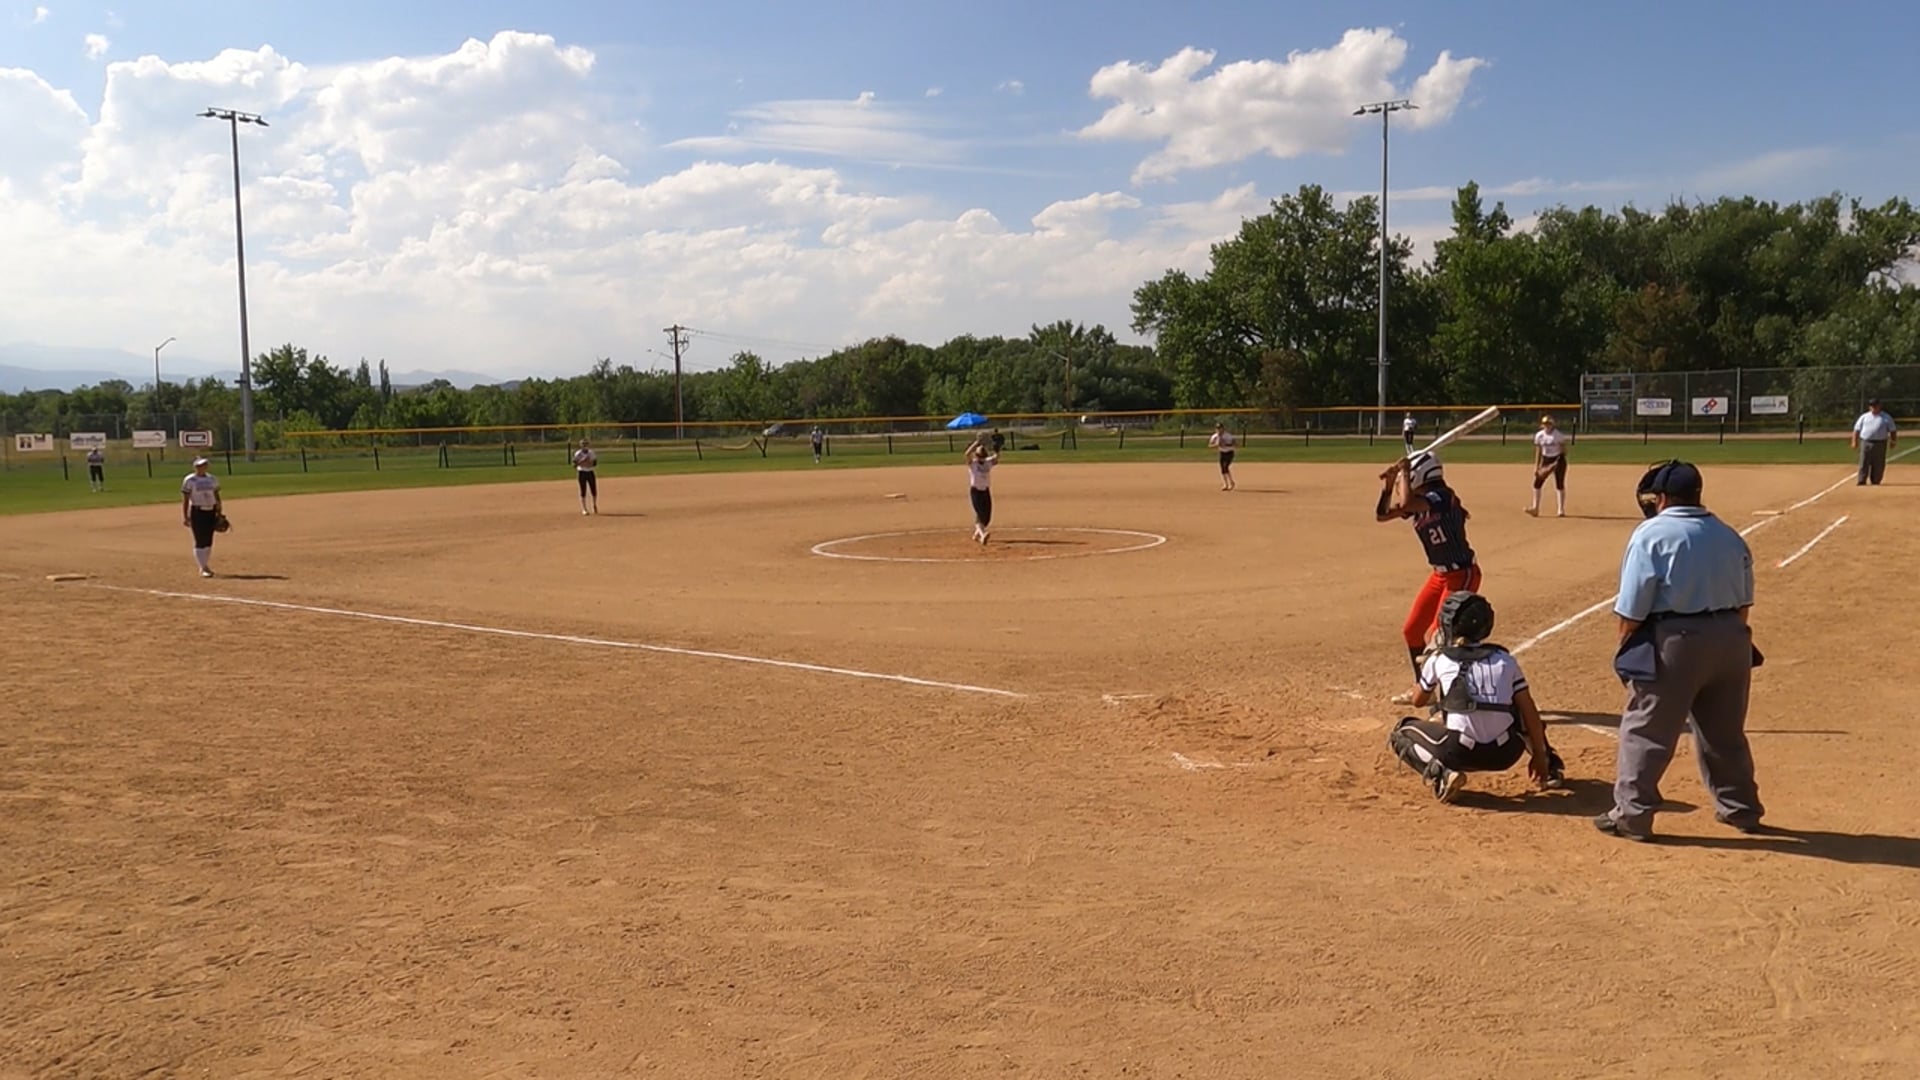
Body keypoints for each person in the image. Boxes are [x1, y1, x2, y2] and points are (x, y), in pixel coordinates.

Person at [1596, 460, 1762, 842]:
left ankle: (1632, 817)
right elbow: (1744, 604)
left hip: (1677, 640)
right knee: (1725, 733)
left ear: (1662, 498)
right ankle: (1741, 809)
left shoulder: (1651, 534)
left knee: (1646, 732)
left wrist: (1626, 649)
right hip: (1733, 639)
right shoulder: (1729, 534)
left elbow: (1632, 609)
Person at [1388, 591, 1565, 802]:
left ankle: (1443, 774)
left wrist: (1427, 669)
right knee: (1520, 709)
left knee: (1401, 732)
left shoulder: (1439, 659)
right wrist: (1539, 755)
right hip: (1505, 754)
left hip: (1458, 752)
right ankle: (1550, 765)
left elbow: (1419, 701)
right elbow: (1531, 713)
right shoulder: (1505, 660)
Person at [1377, 450, 1482, 691]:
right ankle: (1423, 686)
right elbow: (1382, 515)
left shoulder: (1442, 497)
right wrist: (1389, 486)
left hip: (1462, 574)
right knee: (1412, 631)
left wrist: (1404, 470)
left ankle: (1440, 697)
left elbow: (1406, 503)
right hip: (1440, 576)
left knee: (1438, 638)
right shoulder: (1421, 503)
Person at [180, 456, 224, 578]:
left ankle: (205, 565)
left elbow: (216, 495)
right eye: (199, 465)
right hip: (197, 511)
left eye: (204, 465)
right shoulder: (190, 480)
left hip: (211, 510)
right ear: (195, 467)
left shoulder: (212, 479)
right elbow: (186, 499)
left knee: (208, 540)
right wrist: (185, 516)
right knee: (200, 540)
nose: (202, 467)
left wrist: (219, 511)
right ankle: (203, 567)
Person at [1528, 414, 1570, 517]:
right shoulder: (1539, 435)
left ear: (1552, 425)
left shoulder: (1558, 435)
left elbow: (1564, 451)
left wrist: (1556, 463)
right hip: (1546, 460)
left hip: (1558, 460)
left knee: (1559, 484)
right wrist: (1537, 466)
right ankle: (1535, 508)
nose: (1547, 426)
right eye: (1545, 424)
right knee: (1537, 483)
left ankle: (1561, 510)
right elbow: (1539, 451)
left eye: (1549, 424)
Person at [1851, 399, 1898, 486]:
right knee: (1864, 461)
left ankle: (1876, 480)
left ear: (1879, 406)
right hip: (1866, 442)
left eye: (1875, 406)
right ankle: (1862, 480)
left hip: (1880, 443)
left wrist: (1893, 441)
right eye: (1871, 406)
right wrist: (1854, 441)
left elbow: (1893, 430)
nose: (1873, 407)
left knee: (1878, 463)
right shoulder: (1864, 417)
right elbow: (1856, 430)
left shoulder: (1886, 417)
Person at [965, 437, 998, 544]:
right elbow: (967, 454)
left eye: (983, 457)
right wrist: (976, 443)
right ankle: (982, 535)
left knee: (987, 517)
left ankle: (976, 535)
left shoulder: (987, 463)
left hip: (985, 491)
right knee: (980, 515)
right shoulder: (973, 464)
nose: (982, 458)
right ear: (976, 456)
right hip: (976, 492)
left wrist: (997, 450)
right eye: (980, 456)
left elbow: (996, 459)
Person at [571, 438, 598, 515]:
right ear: (580, 445)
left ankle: (594, 504)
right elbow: (574, 465)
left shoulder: (591, 453)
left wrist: (590, 462)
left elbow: (595, 463)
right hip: (582, 472)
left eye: (586, 444)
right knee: (583, 490)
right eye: (583, 444)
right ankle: (584, 509)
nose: (585, 445)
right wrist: (582, 461)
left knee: (593, 490)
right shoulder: (578, 453)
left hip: (590, 472)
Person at [1208, 423, 1237, 491]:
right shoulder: (1214, 436)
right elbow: (1210, 445)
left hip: (1229, 452)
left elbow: (1235, 444)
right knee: (1223, 469)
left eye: (1220, 428)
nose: (1219, 430)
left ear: (1223, 428)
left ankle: (1231, 482)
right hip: (1222, 453)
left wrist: (1226, 445)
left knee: (1225, 467)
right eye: (1217, 428)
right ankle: (1226, 484)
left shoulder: (1228, 436)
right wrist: (1216, 445)